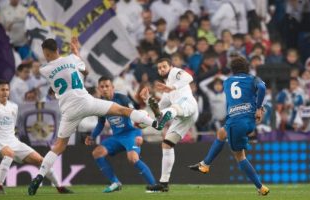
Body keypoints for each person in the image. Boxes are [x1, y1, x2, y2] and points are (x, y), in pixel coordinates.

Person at [28, 37, 163, 195]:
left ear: (46, 53)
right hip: (86, 102)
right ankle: (156, 124)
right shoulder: (72, 58)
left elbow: (47, 69)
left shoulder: (45, 69)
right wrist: (76, 51)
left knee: (59, 146)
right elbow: (85, 71)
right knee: (123, 110)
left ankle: (39, 176)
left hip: (69, 110)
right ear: (58, 49)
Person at [188, 56, 269, 195]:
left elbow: (231, 101)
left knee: (240, 157)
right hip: (249, 120)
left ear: (232, 70)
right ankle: (205, 164)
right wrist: (259, 107)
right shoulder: (252, 78)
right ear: (247, 68)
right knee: (221, 133)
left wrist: (256, 108)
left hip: (236, 121)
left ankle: (261, 187)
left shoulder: (227, 82)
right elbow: (261, 87)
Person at [0, 80, 72, 194]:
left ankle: (60, 188)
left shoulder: (14, 106)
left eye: (7, 89)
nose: (5, 92)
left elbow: (12, 127)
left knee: (41, 160)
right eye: (2, 89)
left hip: (13, 142)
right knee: (9, 154)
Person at [85, 76, 163, 193]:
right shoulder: (100, 104)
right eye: (102, 87)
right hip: (117, 137)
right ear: (99, 89)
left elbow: (136, 116)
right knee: (97, 153)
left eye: (107, 86)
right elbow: (101, 123)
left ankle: (154, 187)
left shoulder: (122, 99)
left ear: (112, 87)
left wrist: (139, 135)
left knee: (132, 158)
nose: (105, 89)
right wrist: (92, 136)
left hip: (131, 133)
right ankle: (115, 183)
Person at [139, 58, 198, 192]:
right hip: (182, 117)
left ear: (170, 66)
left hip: (188, 105)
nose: (161, 70)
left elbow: (189, 77)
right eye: (159, 68)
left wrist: (173, 87)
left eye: (164, 66)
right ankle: (163, 183)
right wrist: (148, 100)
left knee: (174, 108)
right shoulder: (166, 91)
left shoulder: (175, 73)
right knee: (167, 144)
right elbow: (158, 109)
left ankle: (159, 122)